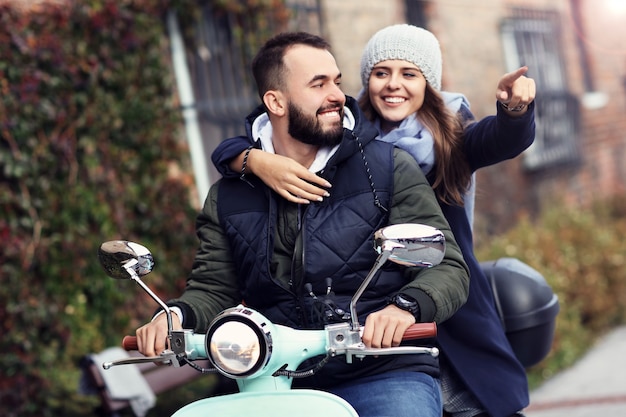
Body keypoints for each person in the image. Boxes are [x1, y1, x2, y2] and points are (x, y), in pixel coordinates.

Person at [136, 31, 470, 417]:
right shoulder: (229, 194)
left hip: (381, 371)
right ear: (275, 101)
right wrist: (174, 316)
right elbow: (213, 287)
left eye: (337, 82)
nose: (337, 96)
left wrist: (406, 308)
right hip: (270, 377)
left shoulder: (386, 167)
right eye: (318, 84)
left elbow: (446, 265)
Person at [212, 25, 536, 417]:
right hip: (359, 320)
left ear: (428, 84)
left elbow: (502, 138)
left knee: (467, 403)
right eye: (381, 73)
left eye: (409, 74)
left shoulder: (448, 139)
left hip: (436, 309)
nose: (393, 85)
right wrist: (251, 158)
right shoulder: (343, 140)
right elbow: (253, 138)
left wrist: (514, 110)